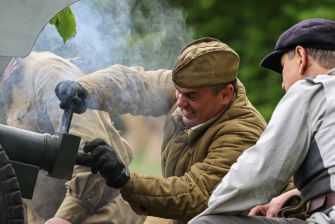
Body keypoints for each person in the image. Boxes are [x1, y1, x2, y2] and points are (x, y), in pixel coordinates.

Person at [188, 18, 335, 224]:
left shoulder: (312, 89)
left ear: (301, 57)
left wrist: (206, 215)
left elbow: (258, 174)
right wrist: (296, 194)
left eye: (283, 68)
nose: (282, 84)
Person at [54, 37, 267, 224]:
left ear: (225, 94)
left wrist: (123, 178)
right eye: (178, 92)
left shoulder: (242, 133)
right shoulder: (194, 87)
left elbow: (194, 195)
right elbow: (134, 84)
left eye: (192, 96)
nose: (180, 102)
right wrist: (87, 88)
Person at [0, 51, 145, 224]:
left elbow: (93, 157)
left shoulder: (48, 72)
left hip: (98, 215)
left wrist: (65, 217)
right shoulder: (8, 83)